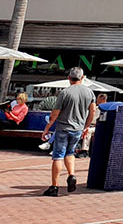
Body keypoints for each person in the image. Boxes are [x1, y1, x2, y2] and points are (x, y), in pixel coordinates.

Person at [40, 67, 97, 197]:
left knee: (58, 156)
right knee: (70, 153)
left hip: (63, 128)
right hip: (77, 129)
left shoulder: (65, 93)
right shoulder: (89, 93)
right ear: (82, 78)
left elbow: (55, 113)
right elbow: (92, 111)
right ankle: (71, 175)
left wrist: (47, 128)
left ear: (69, 78)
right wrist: (86, 126)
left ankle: (54, 186)